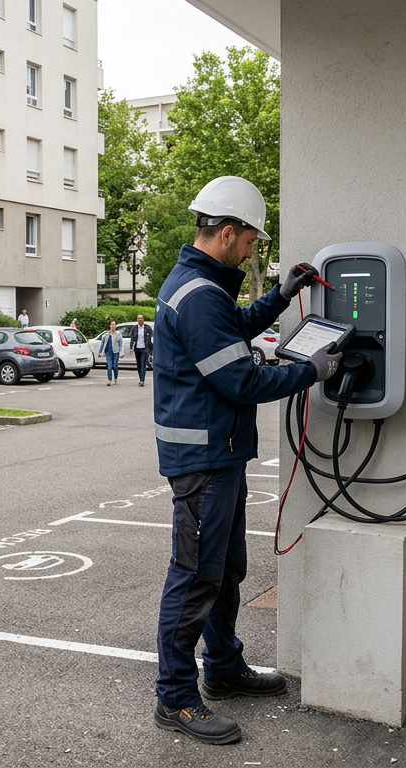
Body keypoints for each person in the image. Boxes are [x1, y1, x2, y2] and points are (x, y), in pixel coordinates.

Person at [150, 176, 343, 745]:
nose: (253, 248)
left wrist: (280, 296)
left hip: (218, 456)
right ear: (228, 232)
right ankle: (177, 697)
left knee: (225, 568)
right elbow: (237, 378)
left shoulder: (200, 286)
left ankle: (224, 667)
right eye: (252, 240)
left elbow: (232, 331)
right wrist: (314, 371)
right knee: (195, 576)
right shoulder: (199, 293)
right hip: (204, 461)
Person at [127, 314, 153, 386]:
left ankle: (142, 380)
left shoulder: (148, 328)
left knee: (143, 364)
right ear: (137, 320)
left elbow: (151, 339)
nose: (140, 320)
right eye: (138, 318)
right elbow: (132, 338)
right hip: (137, 348)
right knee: (138, 365)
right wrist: (131, 347)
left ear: (143, 319)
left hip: (145, 348)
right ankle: (140, 378)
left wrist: (151, 350)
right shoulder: (134, 328)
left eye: (141, 318)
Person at [99, 320, 123, 386]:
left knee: (115, 366)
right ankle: (109, 380)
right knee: (109, 366)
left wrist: (121, 352)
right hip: (108, 352)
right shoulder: (105, 335)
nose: (113, 326)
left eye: (114, 325)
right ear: (110, 326)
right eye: (112, 324)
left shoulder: (118, 334)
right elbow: (102, 344)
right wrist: (100, 352)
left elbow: (121, 344)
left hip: (116, 352)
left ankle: (115, 378)